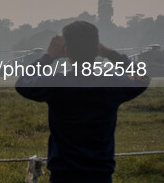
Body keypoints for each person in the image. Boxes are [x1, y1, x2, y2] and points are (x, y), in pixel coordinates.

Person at [16, 21, 149, 183]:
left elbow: (23, 83)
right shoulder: (111, 84)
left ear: (66, 51)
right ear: (96, 50)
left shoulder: (57, 84)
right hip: (101, 174)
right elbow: (142, 77)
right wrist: (110, 54)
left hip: (63, 174)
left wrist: (48, 57)